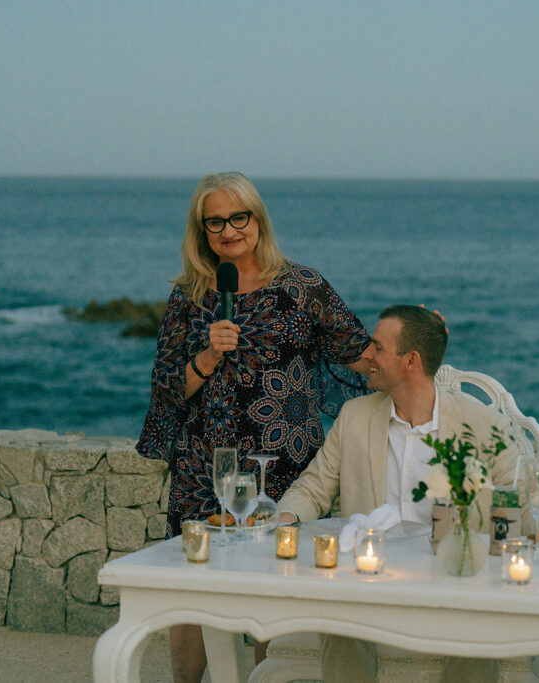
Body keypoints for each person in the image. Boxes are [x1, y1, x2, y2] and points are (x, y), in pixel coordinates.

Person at [135, 172, 370, 683]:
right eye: (214, 221)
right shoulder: (190, 297)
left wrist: (420, 341)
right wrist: (207, 355)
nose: (228, 230)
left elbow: (358, 352)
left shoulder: (304, 287)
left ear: (257, 219)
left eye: (237, 217)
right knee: (192, 588)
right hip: (206, 466)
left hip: (281, 461)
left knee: (274, 588)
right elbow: (166, 391)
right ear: (202, 231)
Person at [277, 304, 517, 683]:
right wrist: (282, 518)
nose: (366, 356)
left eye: (377, 347)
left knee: (475, 623)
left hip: (452, 583)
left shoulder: (482, 426)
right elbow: (313, 488)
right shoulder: (355, 416)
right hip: (370, 583)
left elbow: (515, 505)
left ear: (411, 361)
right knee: (338, 615)